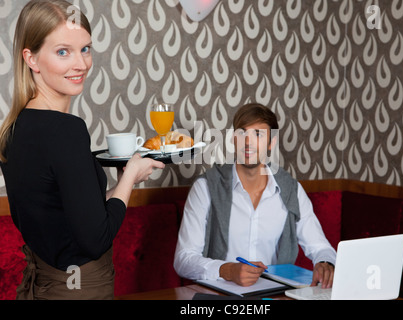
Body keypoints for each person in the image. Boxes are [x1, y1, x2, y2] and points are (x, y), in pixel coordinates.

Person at [0, 0, 165, 300]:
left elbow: (63, 214)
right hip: (79, 289)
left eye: (85, 49)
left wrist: (121, 184)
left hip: (43, 285)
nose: (81, 64)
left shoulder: (13, 130)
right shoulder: (66, 131)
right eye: (63, 52)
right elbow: (96, 238)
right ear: (32, 59)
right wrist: (130, 178)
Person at [174, 103, 336, 288]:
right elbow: (183, 259)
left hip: (275, 295)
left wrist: (325, 263)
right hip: (219, 296)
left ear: (271, 142)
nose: (248, 143)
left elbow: (321, 247)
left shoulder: (292, 190)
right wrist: (227, 270)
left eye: (258, 134)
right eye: (242, 133)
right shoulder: (205, 188)